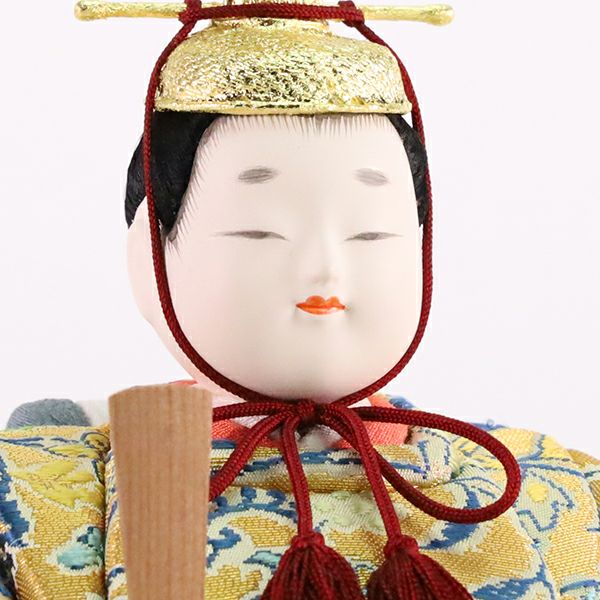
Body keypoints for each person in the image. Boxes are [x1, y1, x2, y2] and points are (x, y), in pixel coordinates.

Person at [1, 1, 599, 598]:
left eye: (370, 235)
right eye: (259, 233)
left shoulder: (545, 485)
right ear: (148, 254)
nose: (324, 268)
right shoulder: (39, 491)